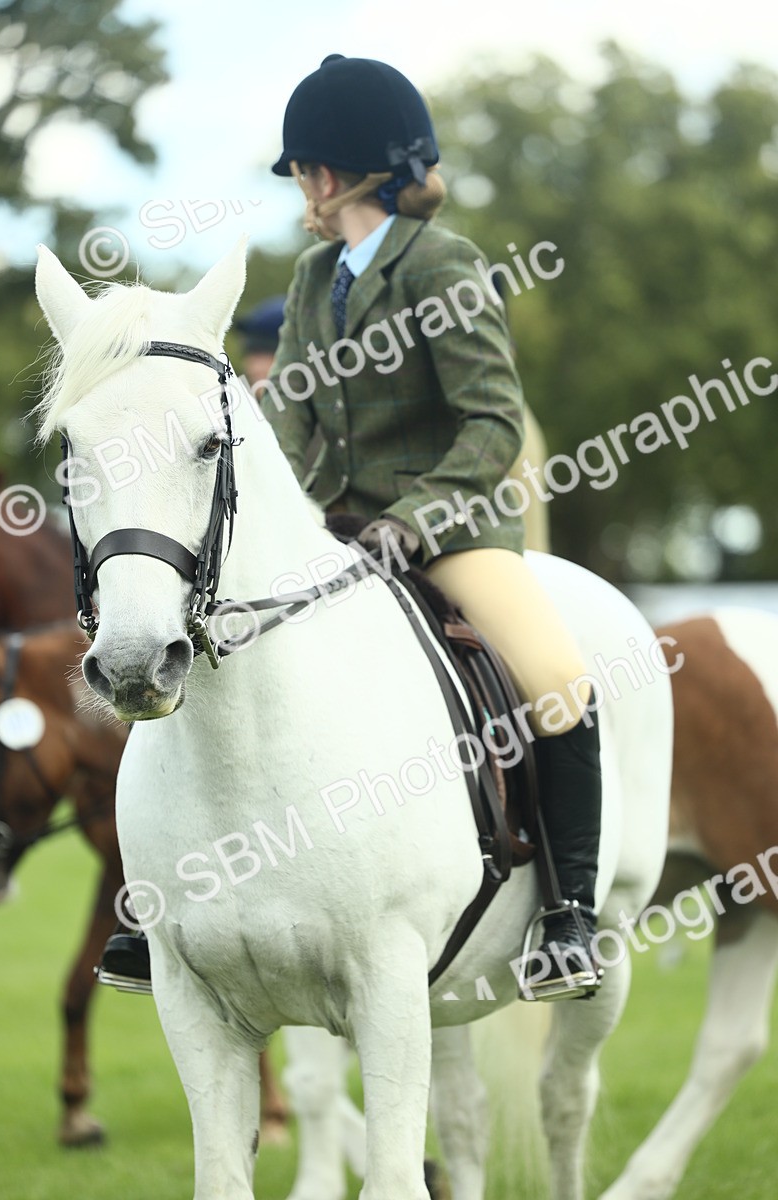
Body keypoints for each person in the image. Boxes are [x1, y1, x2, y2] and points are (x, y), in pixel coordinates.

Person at [264, 54, 601, 999]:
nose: (300, 187)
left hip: (449, 528)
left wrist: (413, 521)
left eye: (300, 171)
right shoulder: (309, 276)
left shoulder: (444, 264)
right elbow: (290, 410)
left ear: (328, 176)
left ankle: (570, 913)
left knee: (559, 683)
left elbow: (492, 421)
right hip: (334, 528)